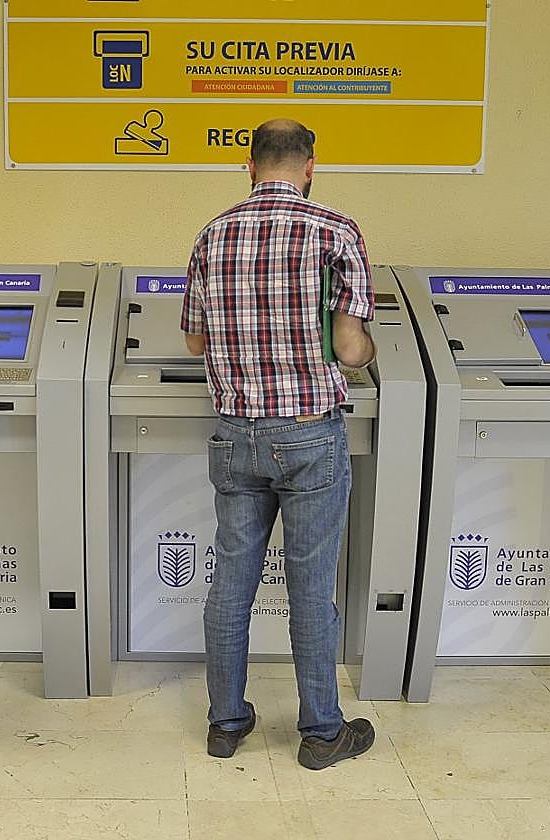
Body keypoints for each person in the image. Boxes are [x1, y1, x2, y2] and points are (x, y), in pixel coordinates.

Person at [180, 119, 377, 771]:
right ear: (310, 166)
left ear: (249, 166)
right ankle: (322, 732)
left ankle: (225, 722)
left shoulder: (213, 234)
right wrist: (366, 350)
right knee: (310, 589)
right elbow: (349, 346)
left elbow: (195, 341)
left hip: (237, 434)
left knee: (231, 584)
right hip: (309, 435)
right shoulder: (336, 231)